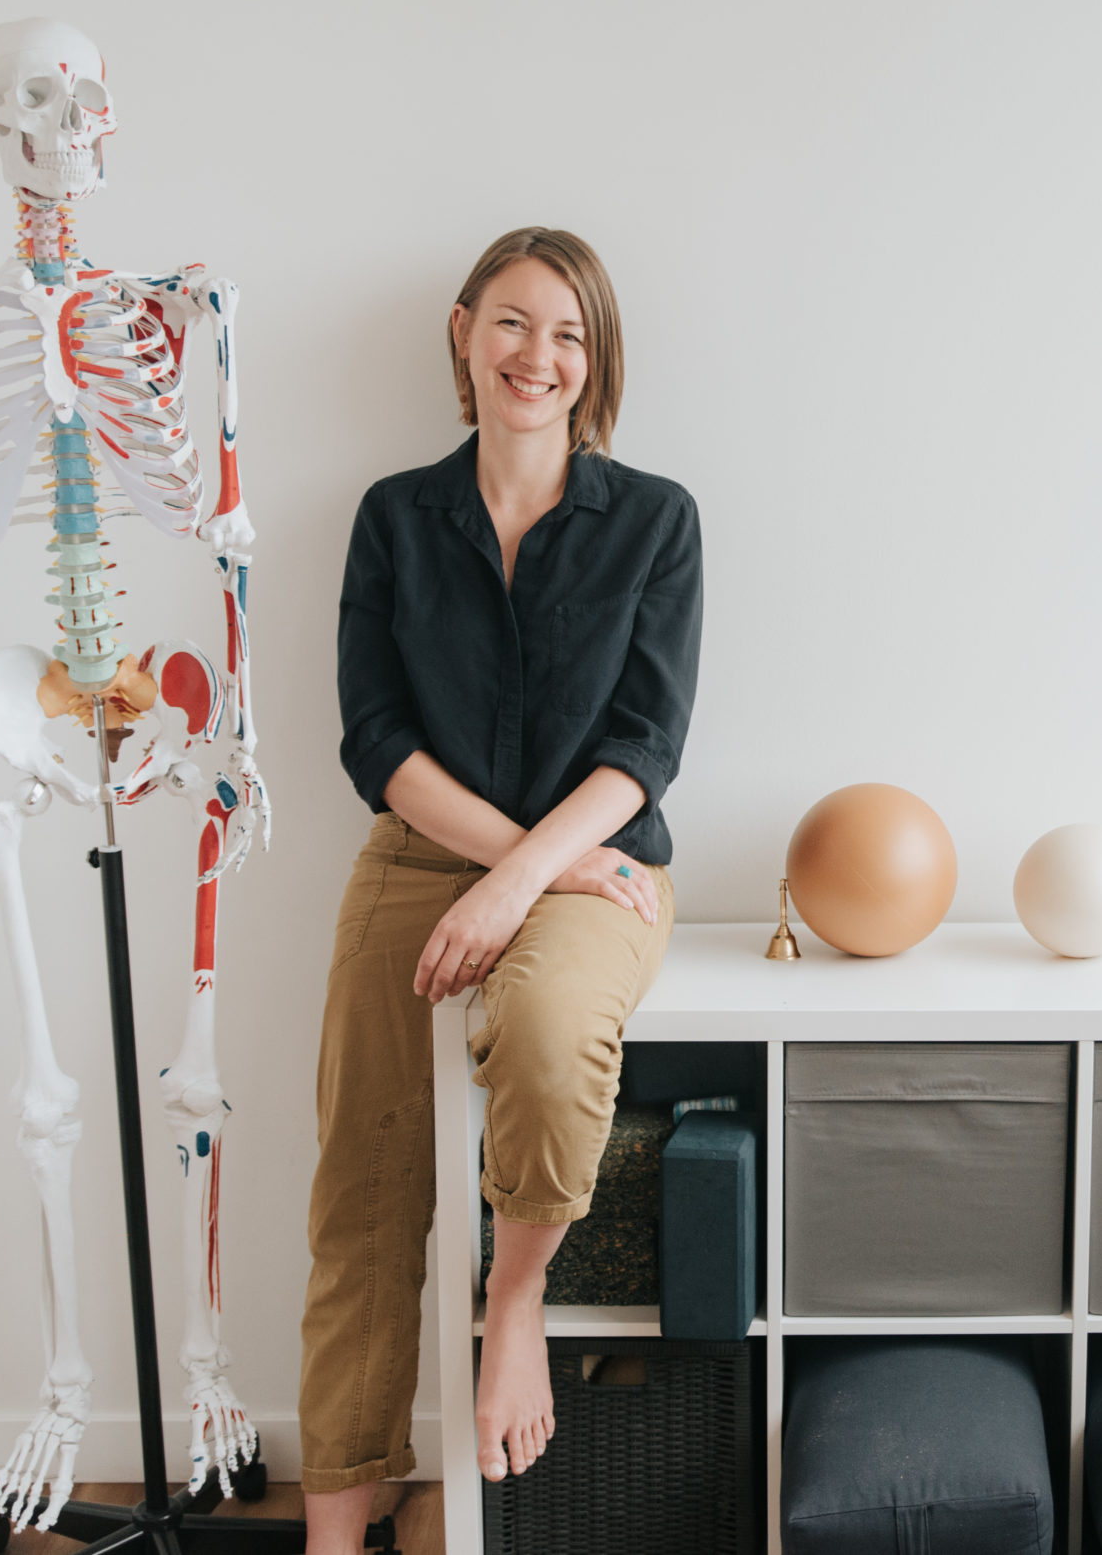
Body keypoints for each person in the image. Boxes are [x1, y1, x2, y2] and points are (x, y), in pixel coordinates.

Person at [297, 227, 703, 1553]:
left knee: (540, 1032)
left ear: (598, 365)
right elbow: (375, 741)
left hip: (600, 865)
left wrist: (533, 871)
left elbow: (644, 747)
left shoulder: (657, 520)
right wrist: (496, 862)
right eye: (515, 324)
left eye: (570, 334)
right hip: (421, 851)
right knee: (362, 1176)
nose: (540, 356)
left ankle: (514, 1301)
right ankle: (337, 1516)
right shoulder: (393, 518)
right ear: (466, 333)